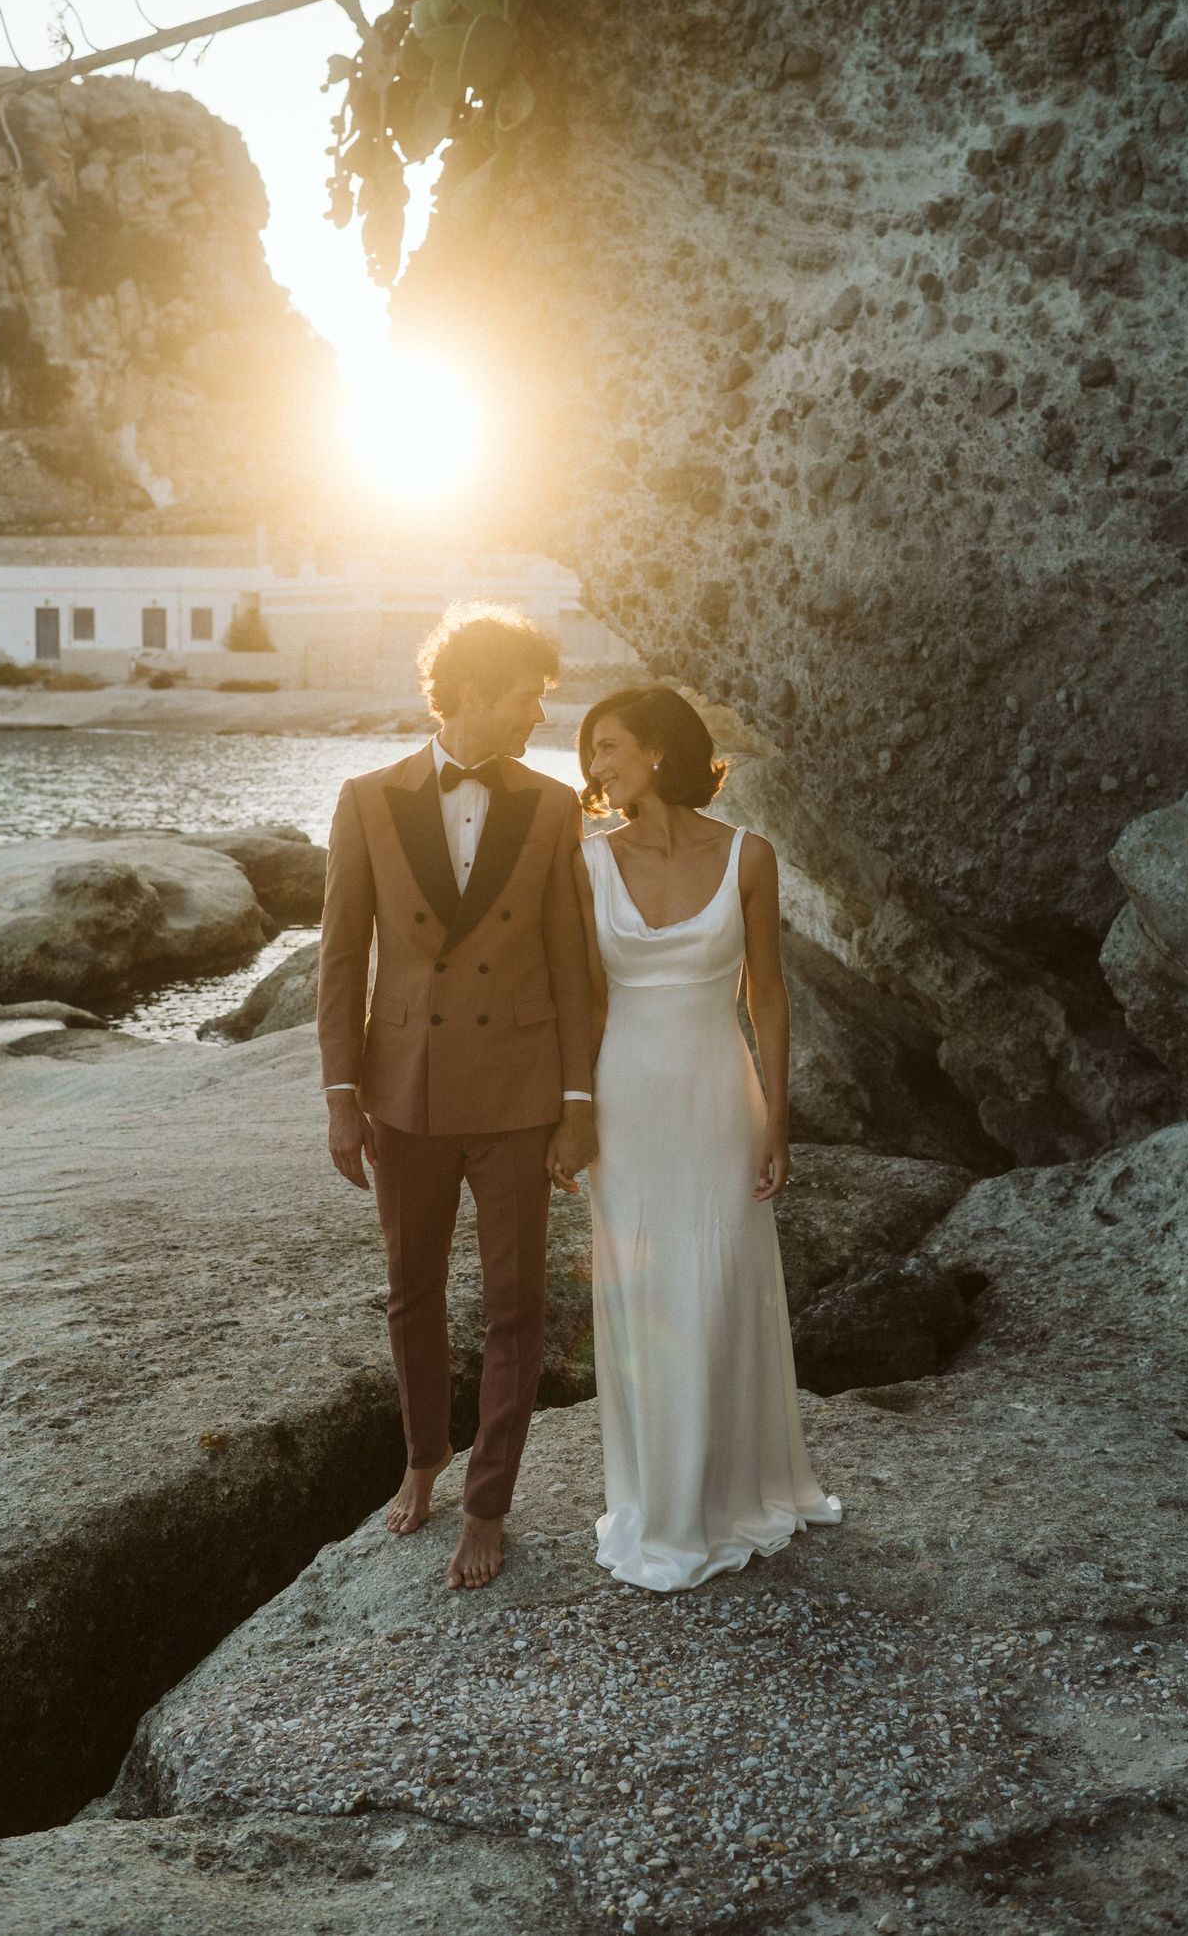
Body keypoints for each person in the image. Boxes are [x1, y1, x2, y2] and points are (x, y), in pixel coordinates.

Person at [317, 603, 597, 1592]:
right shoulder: (365, 798)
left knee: (519, 1303)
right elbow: (343, 957)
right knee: (412, 1292)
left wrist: (579, 1102)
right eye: (527, 696)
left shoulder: (555, 805)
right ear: (473, 692)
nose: (536, 715)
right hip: (406, 1089)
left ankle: (489, 1498)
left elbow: (573, 965)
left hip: (520, 1093)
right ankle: (423, 1454)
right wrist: (342, 1094)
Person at [572, 686, 842, 1593]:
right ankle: (660, 1505)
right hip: (626, 1101)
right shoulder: (587, 864)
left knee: (722, 1281)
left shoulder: (749, 857)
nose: (595, 768)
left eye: (607, 747)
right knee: (642, 1287)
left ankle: (729, 1493)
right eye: (591, 754)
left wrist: (777, 1113)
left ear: (658, 751)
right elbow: (585, 1003)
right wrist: (569, 1113)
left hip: (717, 1093)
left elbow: (767, 994)